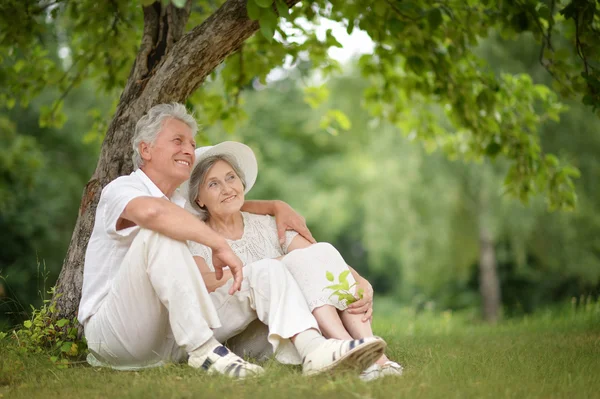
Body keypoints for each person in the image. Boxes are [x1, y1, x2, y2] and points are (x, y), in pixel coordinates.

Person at [78, 103, 385, 378]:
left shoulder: (180, 206)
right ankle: (204, 351)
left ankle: (314, 349)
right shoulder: (122, 189)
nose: (188, 149)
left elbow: (218, 204)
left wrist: (274, 206)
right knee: (160, 231)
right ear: (146, 149)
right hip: (116, 333)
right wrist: (219, 244)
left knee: (266, 270)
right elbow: (154, 213)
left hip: (170, 338)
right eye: (177, 141)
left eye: (192, 143)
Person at [181, 141, 403, 381]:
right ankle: (353, 350)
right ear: (199, 199)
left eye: (231, 177)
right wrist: (280, 262)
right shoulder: (197, 237)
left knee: (323, 250)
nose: (227, 188)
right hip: (252, 332)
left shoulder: (266, 224)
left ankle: (375, 357)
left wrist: (360, 281)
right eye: (213, 184)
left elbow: (321, 258)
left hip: (303, 323)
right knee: (296, 261)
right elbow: (203, 283)